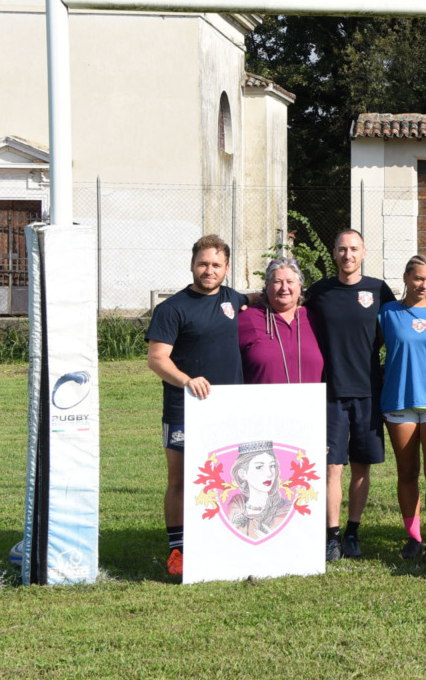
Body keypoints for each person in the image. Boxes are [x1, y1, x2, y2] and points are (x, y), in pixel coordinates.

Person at [146, 234, 249, 577]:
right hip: (184, 409)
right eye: (203, 264)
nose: (209, 270)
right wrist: (187, 380)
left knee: (229, 477)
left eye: (216, 265)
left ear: (227, 268)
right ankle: (178, 550)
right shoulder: (172, 309)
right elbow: (157, 359)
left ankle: (222, 539)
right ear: (192, 264)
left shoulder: (233, 299)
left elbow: (262, 299)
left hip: (229, 410)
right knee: (179, 479)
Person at [304, 229, 396, 562]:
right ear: (334, 253)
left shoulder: (379, 290)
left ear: (364, 252)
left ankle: (353, 532)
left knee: (361, 467)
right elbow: (287, 304)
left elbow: (401, 323)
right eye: (342, 249)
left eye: (354, 249)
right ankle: (332, 537)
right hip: (330, 393)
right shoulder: (320, 292)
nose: (348, 255)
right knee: (332, 467)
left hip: (369, 393)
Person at [378, 255, 426, 565]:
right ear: (406, 277)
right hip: (399, 401)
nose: (424, 285)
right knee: (407, 472)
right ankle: (414, 537)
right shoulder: (387, 313)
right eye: (419, 278)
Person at [237, 258, 323, 386]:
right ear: (267, 285)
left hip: (310, 399)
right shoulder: (247, 318)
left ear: (300, 286)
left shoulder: (315, 318)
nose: (284, 288)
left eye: (290, 282)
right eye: (277, 282)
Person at [225, 441, 292, 541]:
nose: (269, 473)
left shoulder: (286, 510)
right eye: (259, 467)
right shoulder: (234, 508)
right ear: (243, 474)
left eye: (272, 466)